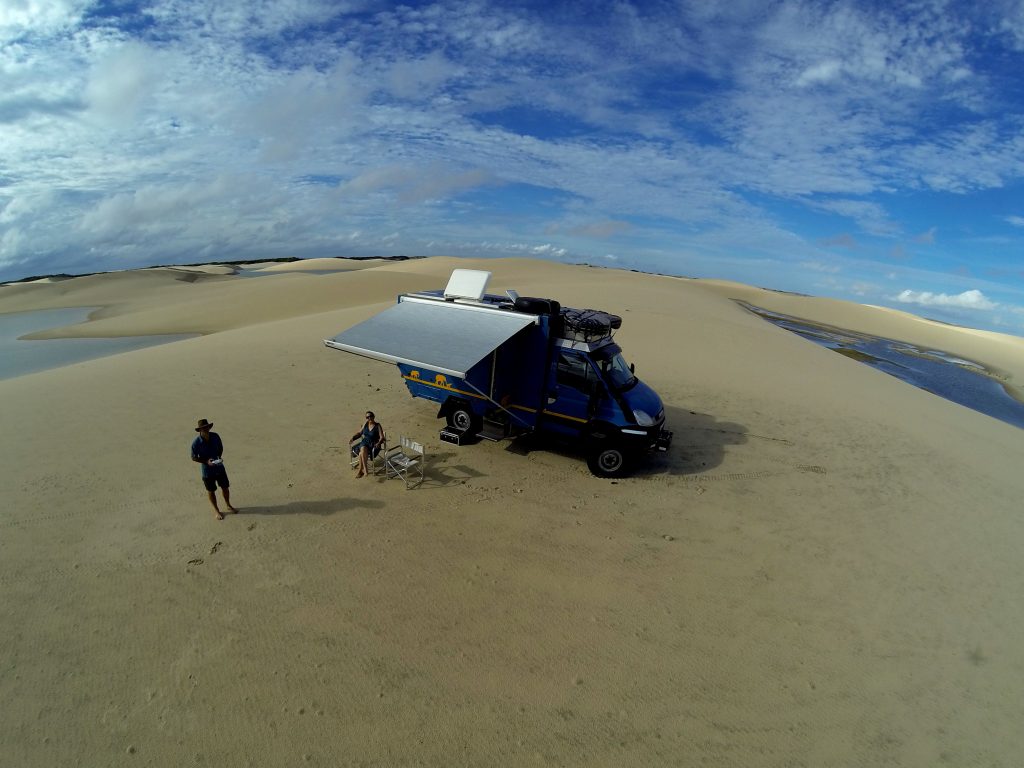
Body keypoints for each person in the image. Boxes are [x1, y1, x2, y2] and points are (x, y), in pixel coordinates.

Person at [191, 418, 238, 519]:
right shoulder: (196, 443)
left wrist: (219, 457)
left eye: (207, 427)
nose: (206, 429)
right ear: (199, 430)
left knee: (225, 487)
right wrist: (206, 461)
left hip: (219, 467)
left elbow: (221, 447)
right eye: (203, 428)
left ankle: (228, 505)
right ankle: (216, 510)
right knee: (211, 491)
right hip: (207, 471)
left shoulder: (215, 436)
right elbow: (193, 457)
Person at [350, 410, 384, 478]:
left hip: (373, 444)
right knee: (363, 447)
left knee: (360, 453)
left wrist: (379, 442)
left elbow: (381, 437)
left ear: (374, 416)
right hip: (365, 441)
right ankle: (365, 469)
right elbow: (359, 433)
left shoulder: (377, 425)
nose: (369, 418)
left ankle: (361, 470)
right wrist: (353, 438)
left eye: (370, 416)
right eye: (367, 417)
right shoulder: (365, 423)